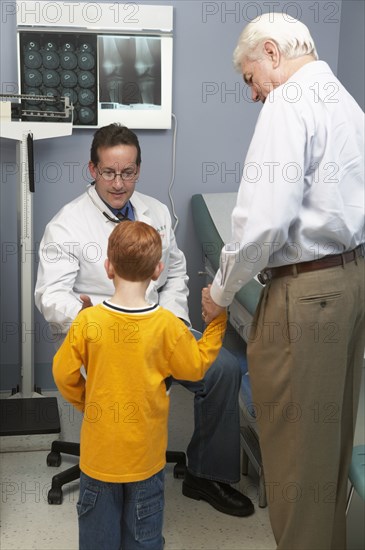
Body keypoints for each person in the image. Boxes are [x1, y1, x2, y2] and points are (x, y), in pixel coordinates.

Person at [202, 12, 364, 550]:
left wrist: (220, 293)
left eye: (250, 78)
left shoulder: (288, 101)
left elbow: (262, 224)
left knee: (296, 466)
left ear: (272, 53)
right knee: (328, 458)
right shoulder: (344, 102)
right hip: (349, 284)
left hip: (306, 294)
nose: (253, 94)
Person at [35, 123, 254, 517]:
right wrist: (87, 317)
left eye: (128, 172)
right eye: (108, 172)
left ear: (138, 168)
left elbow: (174, 275)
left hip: (157, 327)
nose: (119, 183)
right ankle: (114, 484)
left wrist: (167, 323)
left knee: (222, 369)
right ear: (92, 169)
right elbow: (49, 296)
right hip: (104, 338)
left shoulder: (157, 213)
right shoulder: (66, 225)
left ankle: (205, 475)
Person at [53, 220, 227, 550]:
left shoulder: (88, 321)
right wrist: (216, 324)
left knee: (97, 541)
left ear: (108, 267)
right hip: (146, 463)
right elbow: (194, 367)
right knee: (143, 540)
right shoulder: (166, 326)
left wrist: (88, 402)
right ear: (158, 270)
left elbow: (63, 373)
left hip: (99, 461)